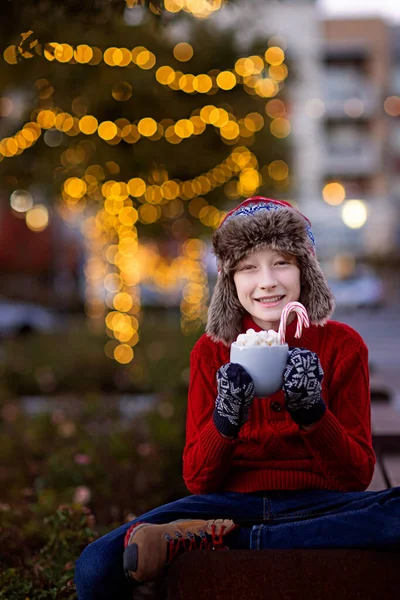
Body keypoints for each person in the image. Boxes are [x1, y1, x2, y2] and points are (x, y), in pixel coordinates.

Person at [75, 196, 400, 600]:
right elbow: (198, 479)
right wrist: (226, 419)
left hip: (320, 504)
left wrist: (314, 414)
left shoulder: (342, 346)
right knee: (94, 568)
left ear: (305, 271)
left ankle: (231, 541)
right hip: (225, 506)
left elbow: (355, 478)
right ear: (230, 281)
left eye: (281, 262)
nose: (266, 281)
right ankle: (247, 535)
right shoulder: (211, 352)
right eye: (248, 267)